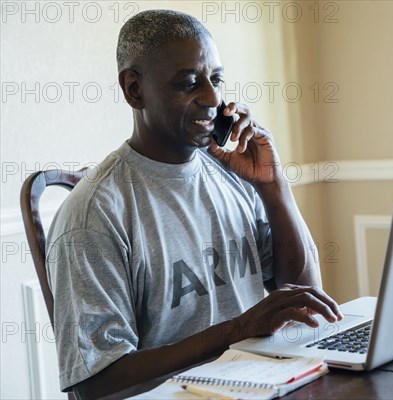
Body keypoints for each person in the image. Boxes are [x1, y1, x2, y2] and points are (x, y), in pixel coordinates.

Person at [46, 9, 342, 399]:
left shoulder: (232, 176)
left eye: (216, 79)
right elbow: (94, 382)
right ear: (135, 90)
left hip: (260, 384)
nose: (213, 98)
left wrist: (274, 186)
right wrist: (236, 331)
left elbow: (304, 292)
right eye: (189, 84)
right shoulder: (95, 215)